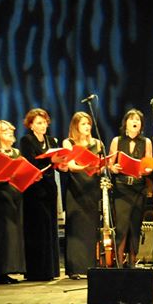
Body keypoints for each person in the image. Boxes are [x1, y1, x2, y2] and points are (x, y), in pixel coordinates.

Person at [19, 108, 60, 281]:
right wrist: (51, 160)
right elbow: (31, 163)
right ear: (31, 125)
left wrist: (60, 161)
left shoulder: (51, 140)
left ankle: (50, 270)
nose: (43, 126)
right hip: (34, 189)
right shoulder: (26, 140)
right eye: (39, 123)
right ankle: (37, 271)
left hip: (49, 187)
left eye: (44, 122)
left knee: (50, 228)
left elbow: (54, 165)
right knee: (38, 229)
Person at [62, 112, 104, 279]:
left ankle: (89, 266)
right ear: (76, 126)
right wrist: (84, 167)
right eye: (83, 124)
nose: (87, 127)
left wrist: (100, 167)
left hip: (92, 187)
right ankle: (74, 268)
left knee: (90, 228)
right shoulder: (69, 143)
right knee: (76, 227)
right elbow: (70, 165)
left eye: (88, 124)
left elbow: (101, 165)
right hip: (76, 187)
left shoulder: (97, 143)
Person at [109, 108, 152, 267]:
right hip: (122, 188)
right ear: (125, 123)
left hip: (138, 188)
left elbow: (149, 165)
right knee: (121, 226)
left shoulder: (146, 142)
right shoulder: (117, 140)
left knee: (135, 225)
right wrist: (113, 168)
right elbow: (110, 164)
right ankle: (119, 261)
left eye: (138, 120)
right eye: (132, 119)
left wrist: (146, 170)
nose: (135, 122)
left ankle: (133, 261)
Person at [0, 120, 26, 284]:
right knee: (3, 234)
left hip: (16, 195)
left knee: (14, 235)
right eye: (5, 131)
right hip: (1, 197)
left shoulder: (16, 152)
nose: (10, 133)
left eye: (11, 130)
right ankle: (0, 272)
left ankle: (11, 269)